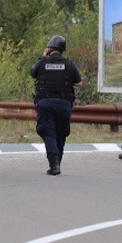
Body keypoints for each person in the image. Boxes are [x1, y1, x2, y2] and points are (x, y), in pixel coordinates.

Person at [29, 35, 83, 176]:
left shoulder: (42, 63)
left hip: (45, 104)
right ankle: (58, 162)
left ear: (49, 49)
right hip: (64, 105)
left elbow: (32, 73)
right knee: (60, 134)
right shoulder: (70, 64)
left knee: (49, 133)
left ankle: (54, 164)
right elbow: (79, 83)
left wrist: (42, 58)